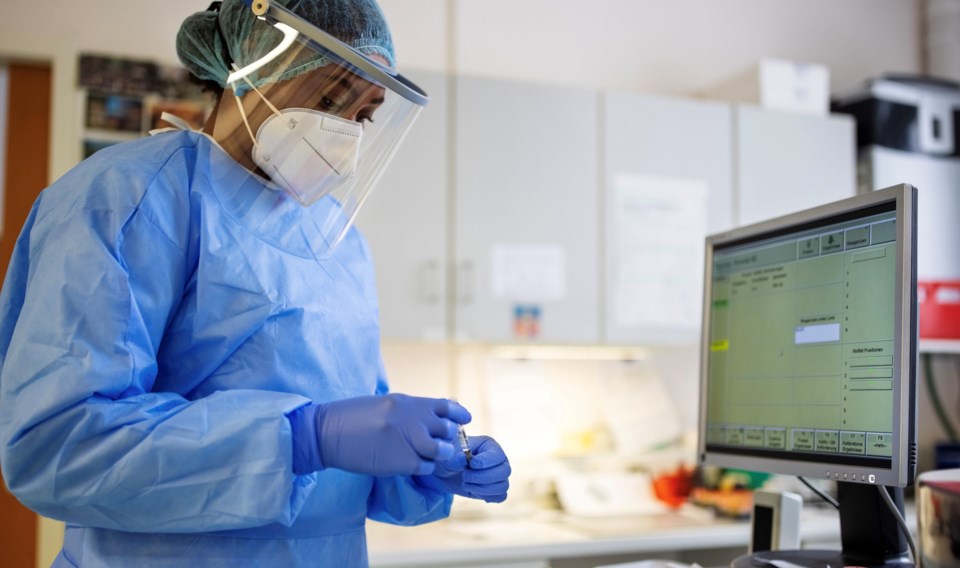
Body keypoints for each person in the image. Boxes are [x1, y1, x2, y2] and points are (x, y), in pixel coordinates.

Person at [0, 0, 511, 565]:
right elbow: (61, 448)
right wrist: (303, 436)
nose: (343, 132)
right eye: (329, 99)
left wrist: (424, 461)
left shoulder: (336, 241)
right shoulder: (130, 198)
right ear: (254, 70)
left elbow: (344, 460)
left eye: (363, 114)